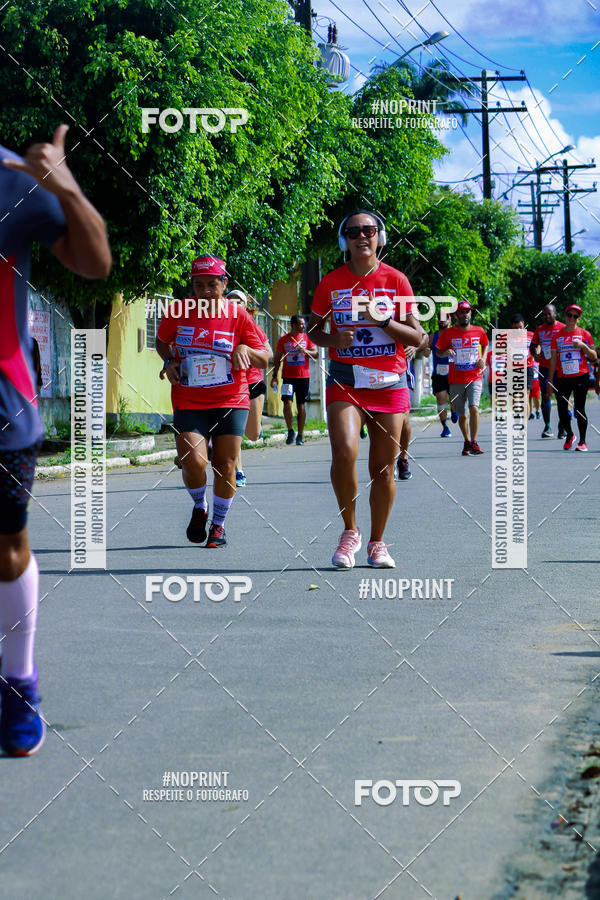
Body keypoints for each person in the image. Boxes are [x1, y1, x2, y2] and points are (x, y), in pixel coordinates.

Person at [0, 125, 111, 755]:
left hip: (2, 403)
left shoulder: (13, 176)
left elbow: (95, 264)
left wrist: (62, 181)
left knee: (6, 543)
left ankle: (18, 683)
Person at [307, 210, 421, 568]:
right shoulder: (331, 283)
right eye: (353, 231)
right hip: (346, 379)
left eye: (368, 230)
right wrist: (332, 338)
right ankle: (350, 532)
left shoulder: (396, 281)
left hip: (389, 383)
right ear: (345, 241)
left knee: (382, 470)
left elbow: (419, 336)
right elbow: (311, 331)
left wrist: (384, 321)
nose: (361, 236)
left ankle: (378, 543)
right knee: (344, 451)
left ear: (379, 237)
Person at [156, 256, 269, 547]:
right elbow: (161, 341)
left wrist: (244, 347)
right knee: (193, 461)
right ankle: (199, 506)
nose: (205, 292)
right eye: (199, 285)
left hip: (231, 398)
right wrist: (169, 360)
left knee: (226, 464)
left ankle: (218, 525)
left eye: (212, 284)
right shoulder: (178, 311)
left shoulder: (238, 315)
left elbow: (266, 356)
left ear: (224, 283)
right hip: (189, 397)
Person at [227, 290, 272, 486]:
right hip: (231, 383)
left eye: (239, 302)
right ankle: (238, 472)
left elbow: (268, 353)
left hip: (253, 381)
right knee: (233, 430)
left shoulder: (253, 326)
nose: (235, 304)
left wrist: (246, 350)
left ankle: (257, 427)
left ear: (246, 306)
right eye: (231, 301)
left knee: (252, 435)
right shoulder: (219, 325)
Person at [434, 300, 489, 456]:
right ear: (456, 315)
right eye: (461, 312)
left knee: (474, 408)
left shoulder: (479, 331)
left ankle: (475, 442)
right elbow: (438, 351)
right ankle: (467, 441)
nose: (465, 315)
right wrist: (445, 353)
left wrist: (483, 358)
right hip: (456, 379)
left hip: (475, 376)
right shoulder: (449, 333)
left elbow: (485, 343)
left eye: (467, 312)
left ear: (470, 313)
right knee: (462, 414)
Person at [547, 304, 597, 451]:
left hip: (581, 376)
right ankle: (569, 434)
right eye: (570, 315)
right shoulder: (557, 336)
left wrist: (583, 346)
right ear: (565, 316)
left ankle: (582, 441)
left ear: (578, 319)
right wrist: (550, 381)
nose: (572, 319)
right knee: (562, 409)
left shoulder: (584, 334)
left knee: (580, 408)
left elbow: (594, 356)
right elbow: (553, 360)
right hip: (563, 377)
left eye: (575, 316)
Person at [271, 315, 318, 445]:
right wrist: (274, 376)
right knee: (287, 404)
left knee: (301, 406)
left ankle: (300, 435)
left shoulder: (307, 338)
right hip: (288, 377)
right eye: (300, 324)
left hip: (303, 377)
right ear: (293, 325)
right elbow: (277, 359)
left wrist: (306, 351)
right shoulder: (284, 340)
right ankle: (291, 430)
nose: (303, 326)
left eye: (304, 324)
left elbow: (316, 354)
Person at [530, 304, 565, 438]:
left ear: (555, 314)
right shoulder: (539, 330)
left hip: (560, 369)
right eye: (544, 314)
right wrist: (535, 354)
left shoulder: (562, 328)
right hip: (544, 368)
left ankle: (562, 427)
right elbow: (533, 346)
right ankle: (548, 426)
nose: (547, 316)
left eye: (549, 313)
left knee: (561, 397)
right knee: (545, 395)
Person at [429, 313, 458, 438]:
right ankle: (445, 427)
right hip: (439, 373)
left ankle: (454, 410)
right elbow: (425, 349)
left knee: (454, 399)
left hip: (454, 372)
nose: (441, 321)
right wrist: (425, 351)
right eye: (439, 319)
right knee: (441, 400)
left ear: (449, 320)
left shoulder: (456, 334)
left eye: (444, 319)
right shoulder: (433, 336)